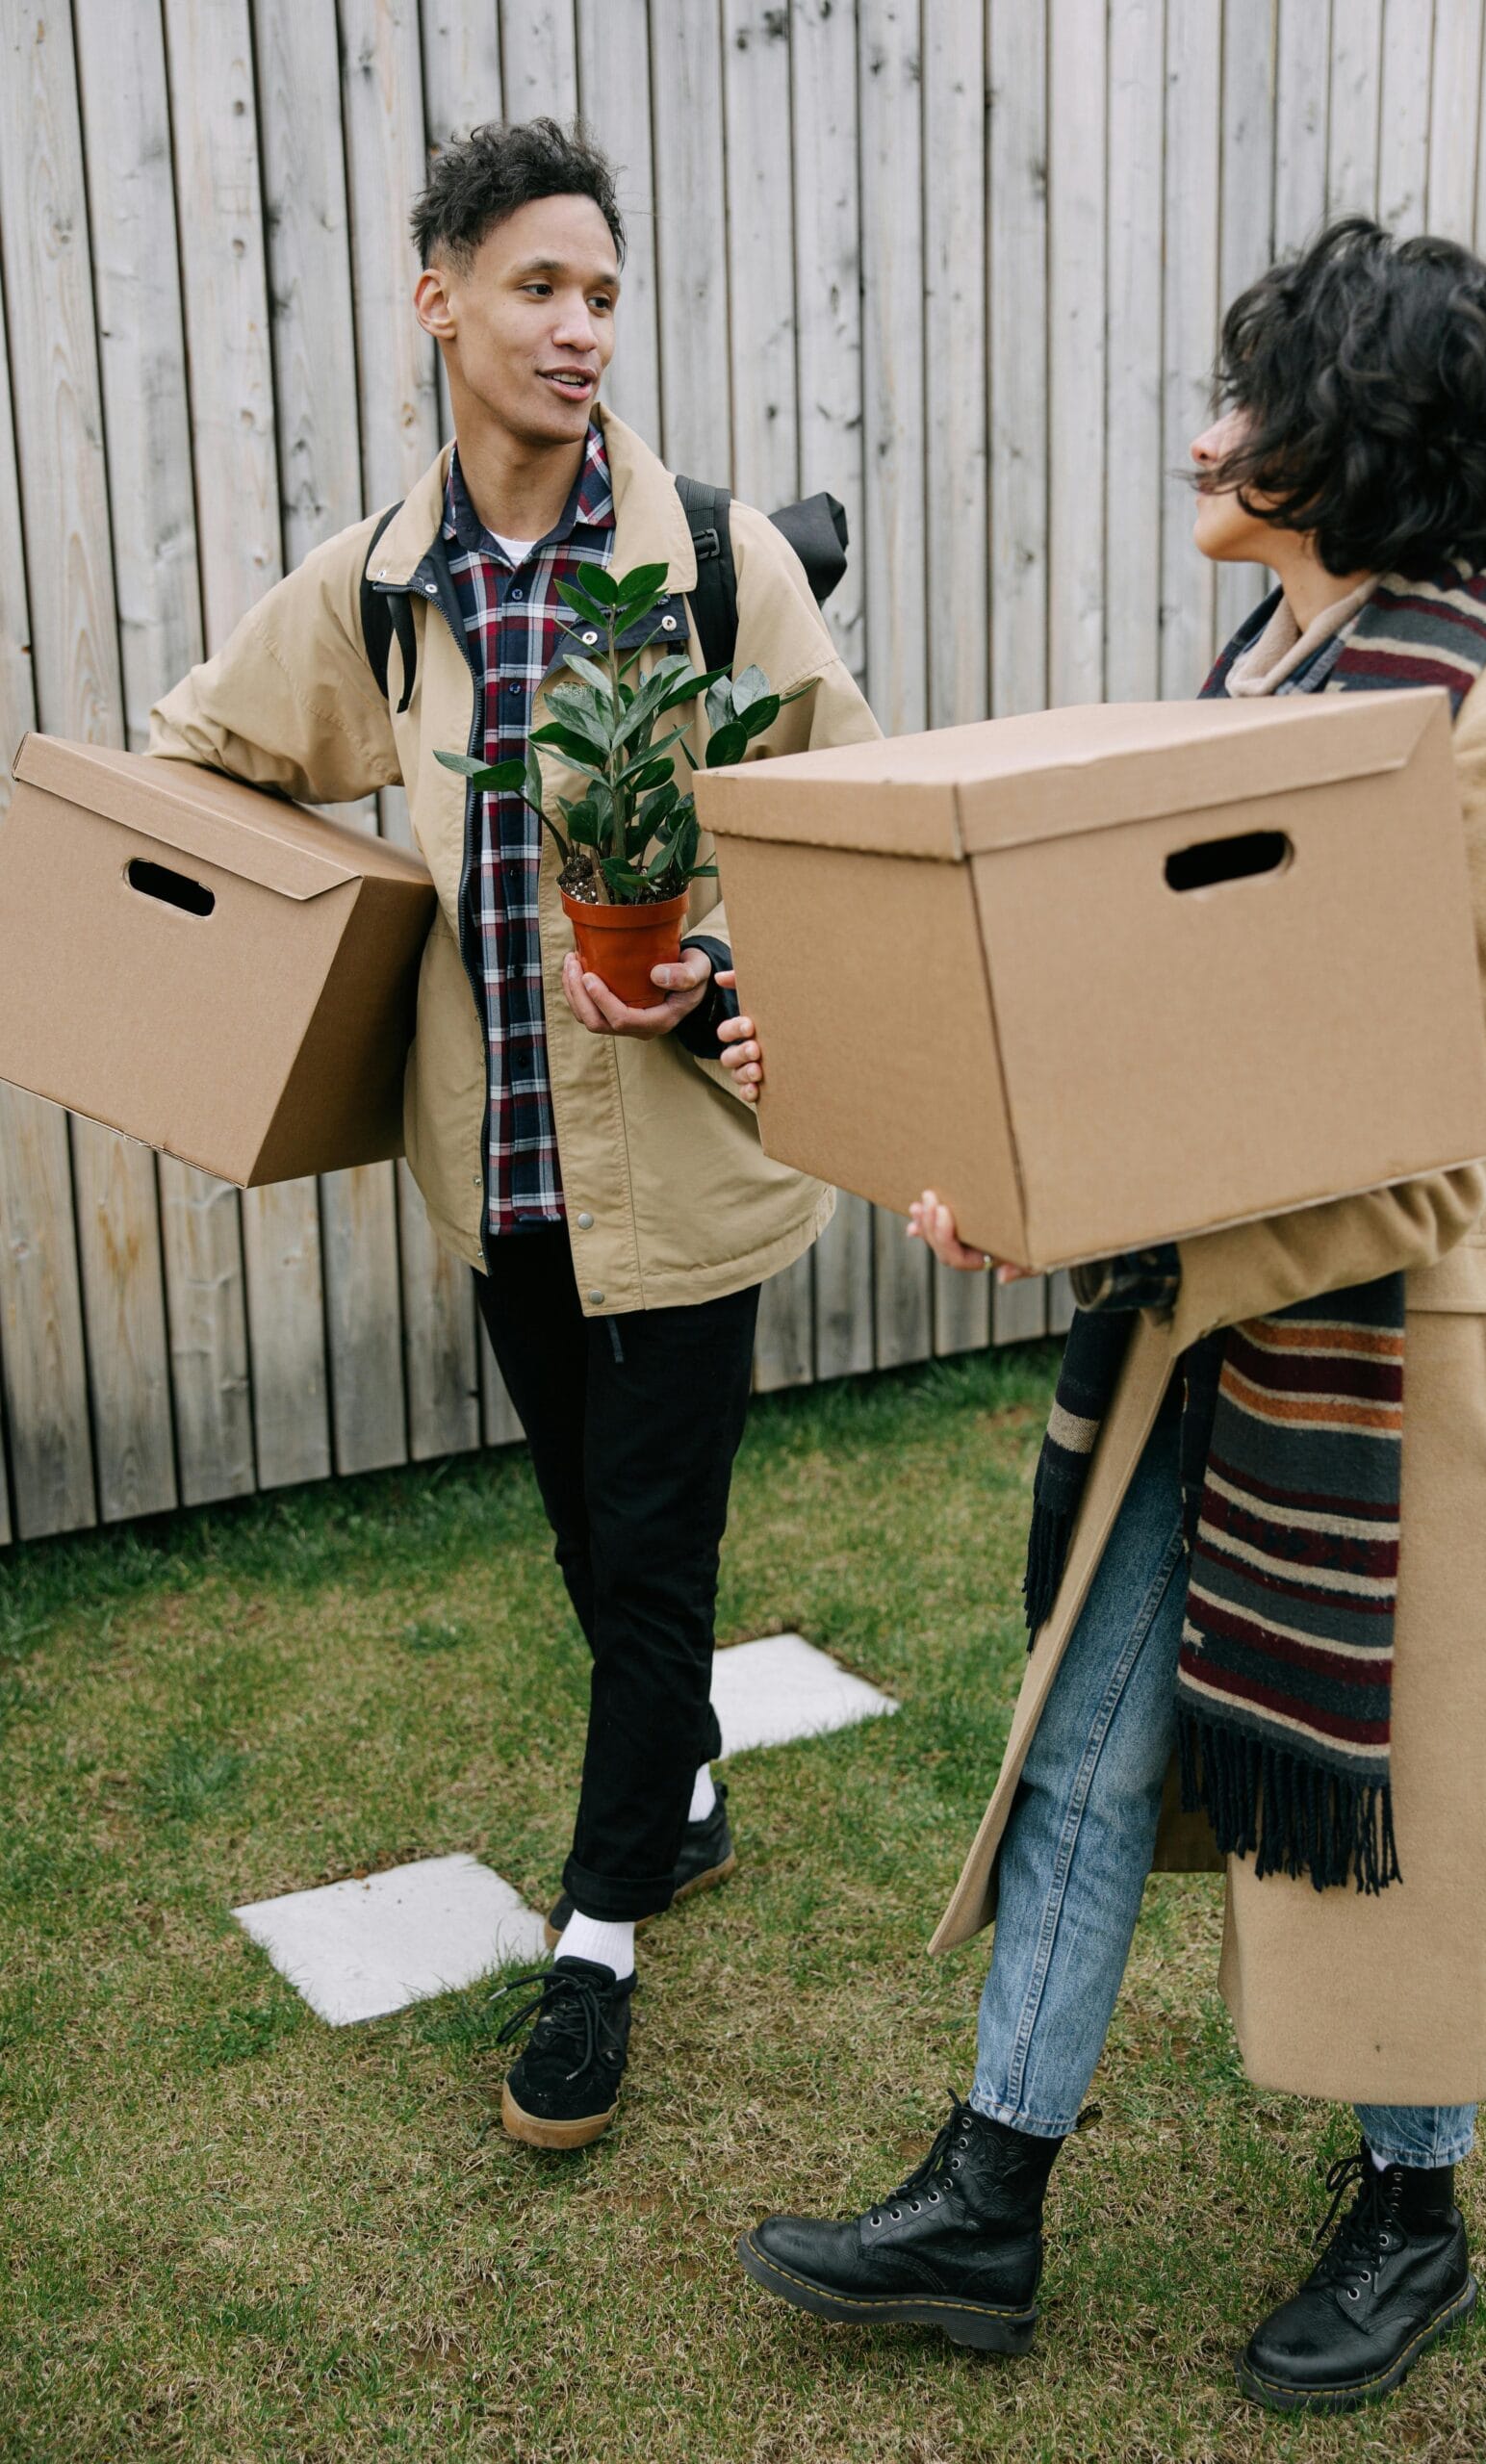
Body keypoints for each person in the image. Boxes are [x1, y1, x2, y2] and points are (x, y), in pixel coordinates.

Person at [736, 219, 1486, 2414]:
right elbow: (1143, 1044)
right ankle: (988, 2190)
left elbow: (1441, 1153)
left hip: (1394, 1380)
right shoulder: (1266, 682)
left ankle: (1409, 2212)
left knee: (1384, 1793)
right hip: (1186, 1355)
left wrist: (1094, 1221)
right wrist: (962, 1123)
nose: (1205, 433)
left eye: (1256, 400)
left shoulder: (1477, 740)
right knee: (1083, 1740)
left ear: (1360, 449)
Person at [148, 117, 871, 2149]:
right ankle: (691, 1785)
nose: (578, 330)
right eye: (539, 287)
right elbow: (196, 757)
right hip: (504, 1178)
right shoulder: (380, 596)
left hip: (696, 1175)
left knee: (651, 1563)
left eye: (603, 294)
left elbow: (859, 832)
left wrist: (713, 976)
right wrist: (336, 942)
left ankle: (598, 1939)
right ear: (437, 298)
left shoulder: (714, 562)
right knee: (588, 1536)